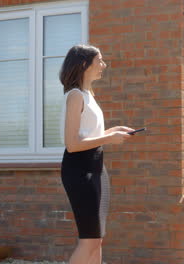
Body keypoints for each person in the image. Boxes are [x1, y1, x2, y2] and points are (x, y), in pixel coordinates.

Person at [59, 45, 134, 264]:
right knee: (89, 241)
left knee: (96, 239)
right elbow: (72, 144)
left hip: (96, 168)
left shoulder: (88, 94)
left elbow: (90, 135)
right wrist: (108, 138)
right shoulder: (75, 96)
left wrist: (113, 131)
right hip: (80, 170)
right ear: (84, 64)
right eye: (99, 61)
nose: (104, 65)